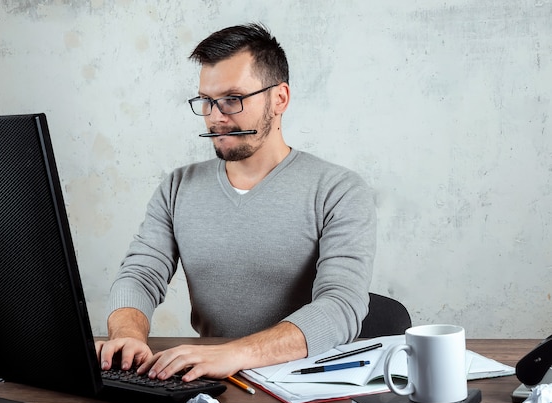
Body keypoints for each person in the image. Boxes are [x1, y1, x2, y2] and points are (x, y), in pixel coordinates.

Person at [95, 23, 376, 383]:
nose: (215, 116)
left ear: (280, 99)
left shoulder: (339, 190)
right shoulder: (178, 186)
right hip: (210, 381)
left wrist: (235, 353)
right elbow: (139, 274)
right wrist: (127, 336)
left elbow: (340, 306)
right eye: (206, 101)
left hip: (307, 384)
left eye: (232, 99)